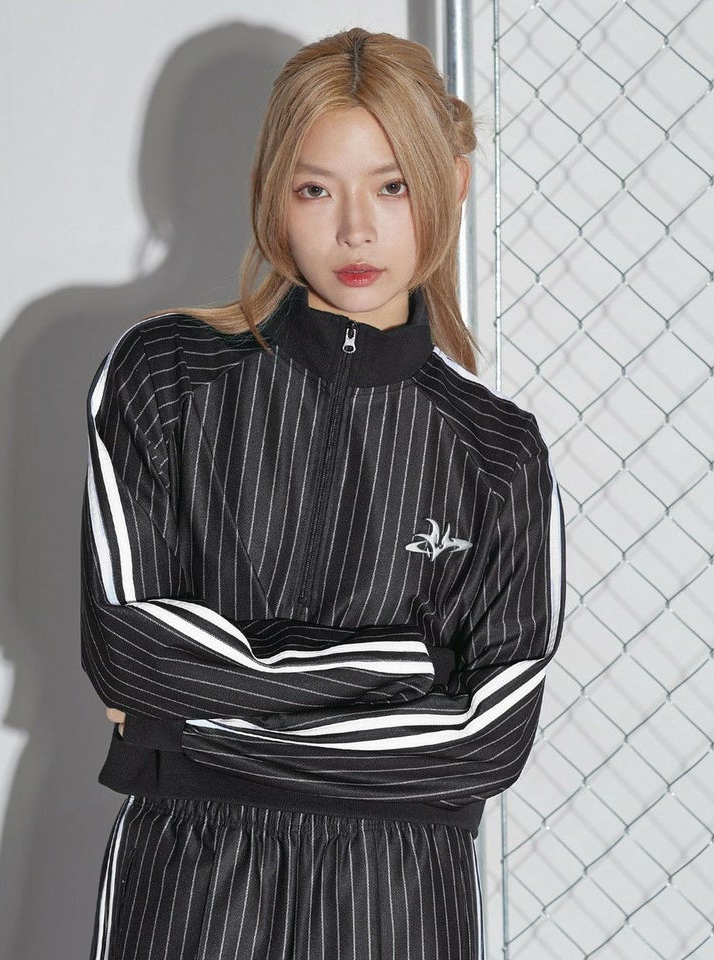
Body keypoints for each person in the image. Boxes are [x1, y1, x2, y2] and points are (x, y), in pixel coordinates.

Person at [81, 25, 565, 960]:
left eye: (393, 186)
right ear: (272, 193)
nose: (355, 231)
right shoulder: (161, 377)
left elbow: (487, 742)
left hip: (400, 899)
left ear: (452, 184)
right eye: (315, 189)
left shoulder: (498, 452)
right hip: (189, 884)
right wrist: (412, 669)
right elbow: (132, 654)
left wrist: (185, 731)